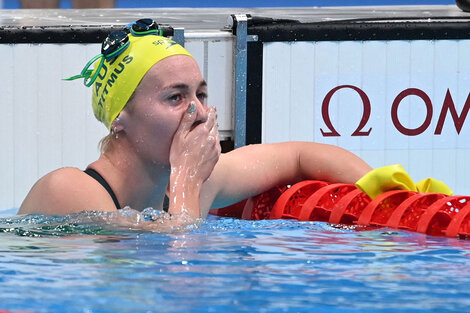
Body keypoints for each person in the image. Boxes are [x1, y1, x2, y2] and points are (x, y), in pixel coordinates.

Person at [18, 19, 372, 219]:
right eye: (176, 97)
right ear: (120, 119)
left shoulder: (199, 183)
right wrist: (187, 178)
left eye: (200, 95)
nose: (199, 112)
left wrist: (383, 192)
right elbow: (177, 274)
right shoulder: (67, 190)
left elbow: (298, 156)